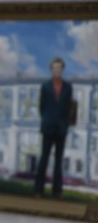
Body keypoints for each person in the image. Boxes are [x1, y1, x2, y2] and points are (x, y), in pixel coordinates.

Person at [34, 57, 73, 197]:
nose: (57, 70)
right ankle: (38, 190)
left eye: (59, 68)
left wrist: (65, 123)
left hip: (61, 128)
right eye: (54, 68)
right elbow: (41, 107)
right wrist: (47, 119)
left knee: (58, 161)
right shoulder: (45, 86)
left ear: (62, 70)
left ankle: (57, 191)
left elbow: (69, 108)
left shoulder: (68, 87)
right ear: (51, 70)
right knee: (44, 159)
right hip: (48, 127)